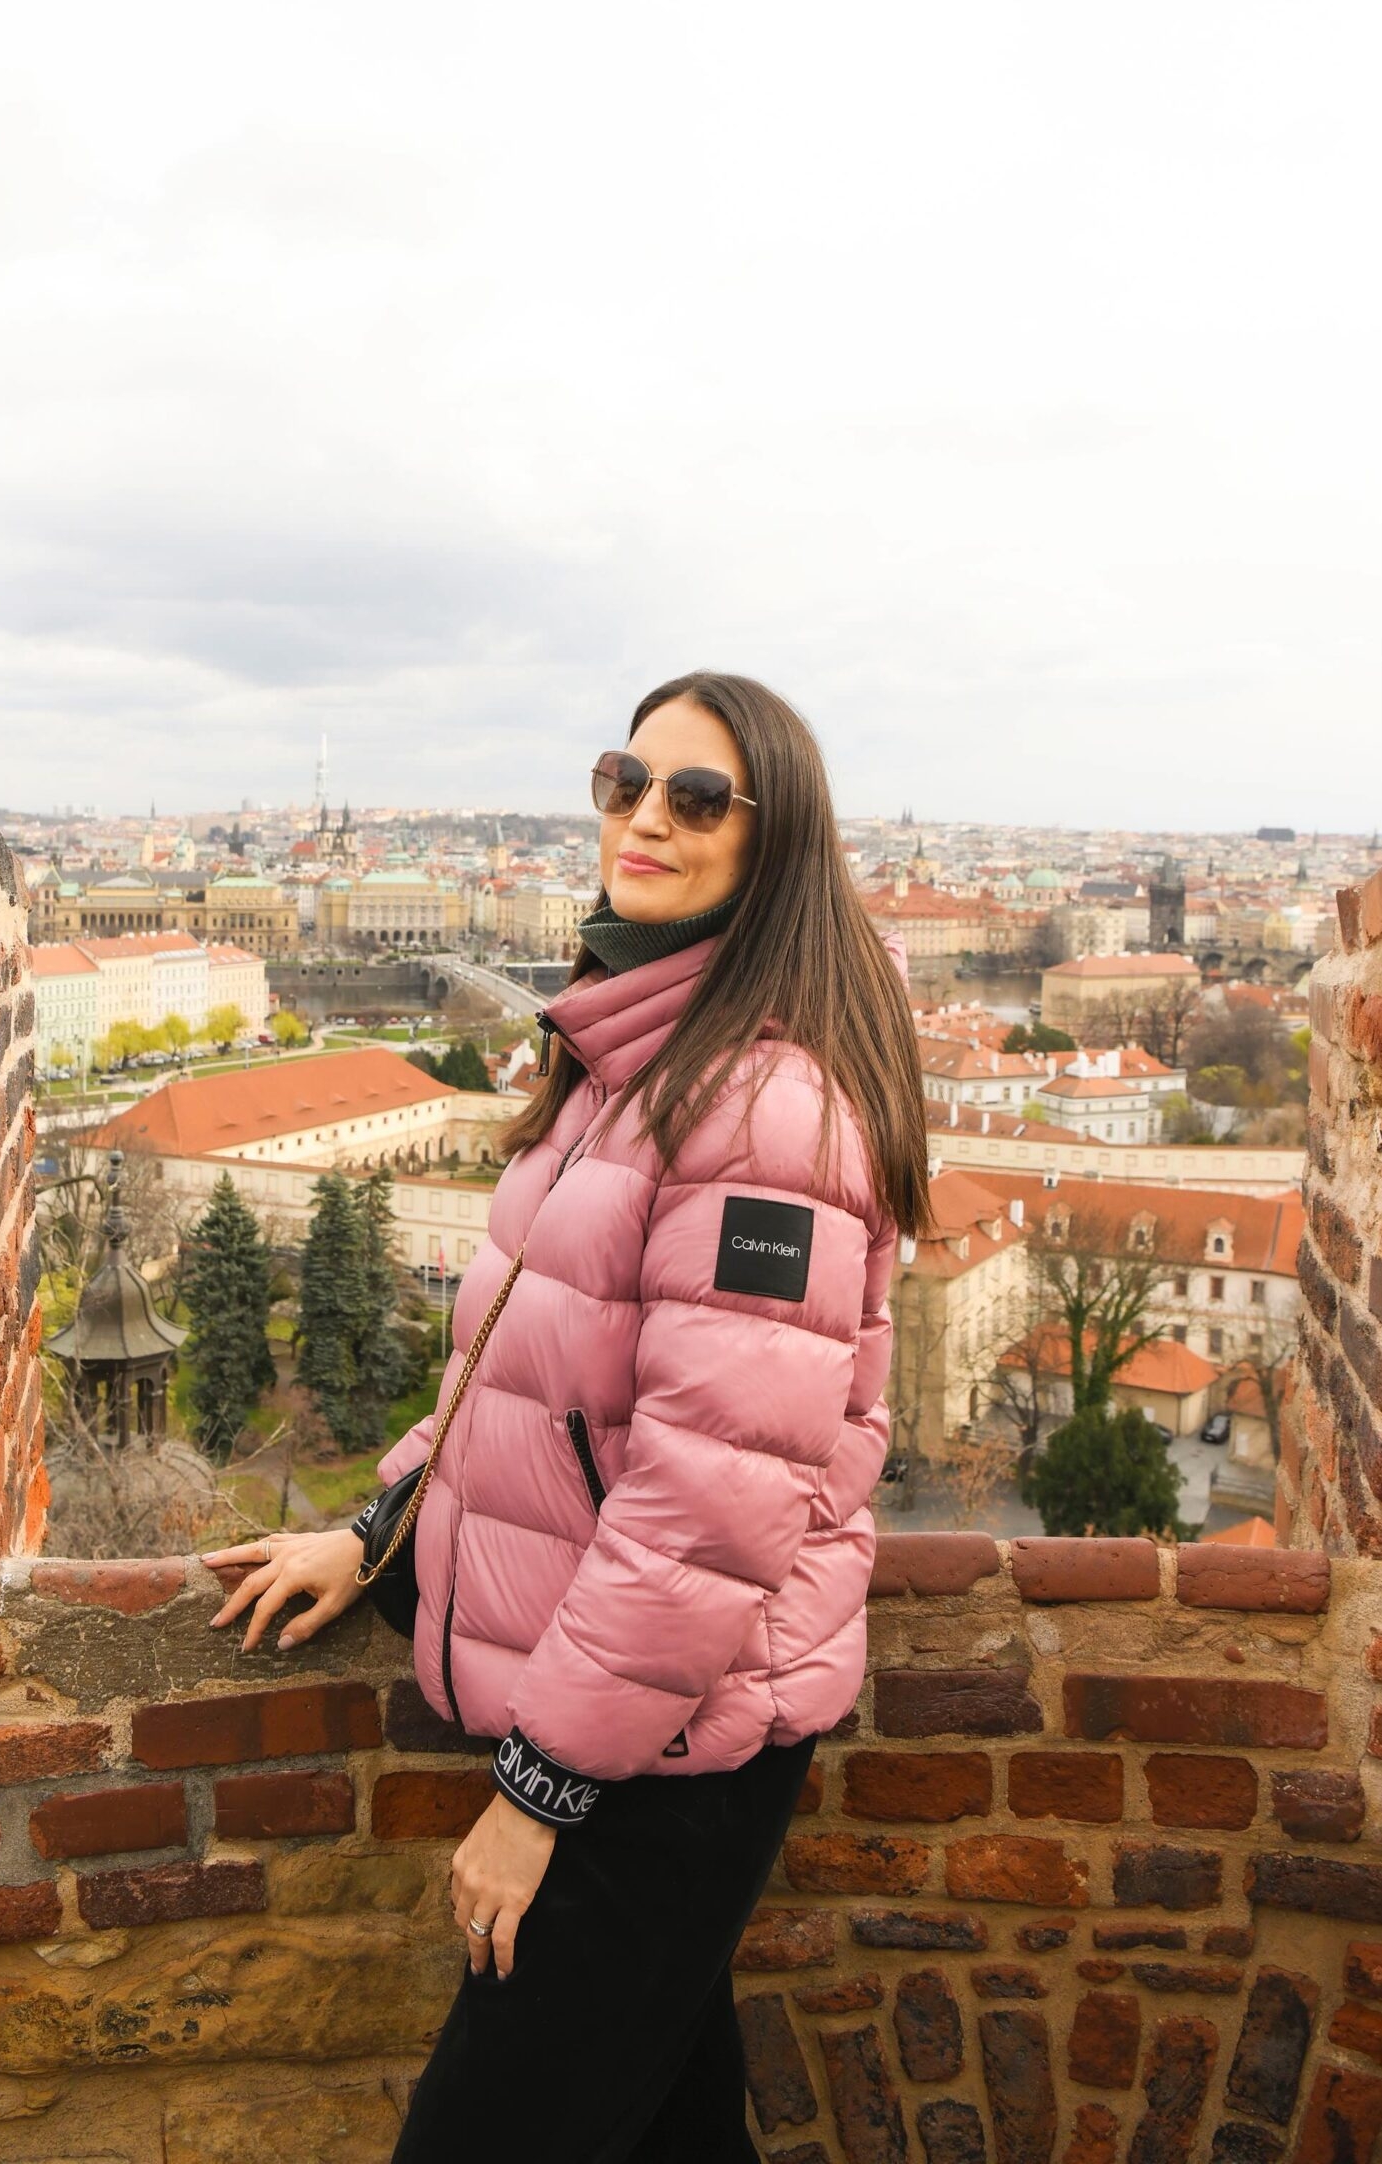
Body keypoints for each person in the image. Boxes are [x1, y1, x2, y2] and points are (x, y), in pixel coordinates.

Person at [204, 669, 932, 2162]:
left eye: (697, 796)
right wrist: (376, 1529)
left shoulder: (764, 1110)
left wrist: (540, 1794)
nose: (645, 817)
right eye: (624, 780)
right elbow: (519, 1386)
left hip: (668, 1749)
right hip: (633, 1716)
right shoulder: (637, 1060)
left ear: (774, 842)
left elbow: (708, 1507)